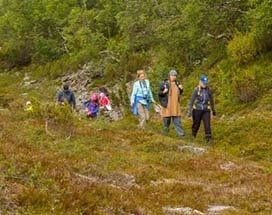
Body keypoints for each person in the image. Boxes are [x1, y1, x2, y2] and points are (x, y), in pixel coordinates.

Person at [188, 75, 216, 142]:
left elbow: (211, 100)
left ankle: (208, 138)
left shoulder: (209, 90)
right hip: (197, 109)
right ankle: (193, 135)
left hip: (206, 110)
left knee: (207, 124)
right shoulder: (196, 90)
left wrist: (213, 110)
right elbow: (191, 101)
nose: (205, 84)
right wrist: (190, 112)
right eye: (203, 83)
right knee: (196, 124)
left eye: (206, 83)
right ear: (200, 82)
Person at [158, 70, 185, 137]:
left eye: (175, 75)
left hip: (175, 106)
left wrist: (181, 89)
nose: (174, 77)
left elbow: (179, 93)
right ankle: (165, 135)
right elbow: (159, 94)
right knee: (166, 122)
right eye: (172, 75)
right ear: (169, 75)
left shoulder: (177, 84)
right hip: (167, 106)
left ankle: (181, 135)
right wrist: (164, 92)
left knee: (177, 121)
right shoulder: (164, 83)